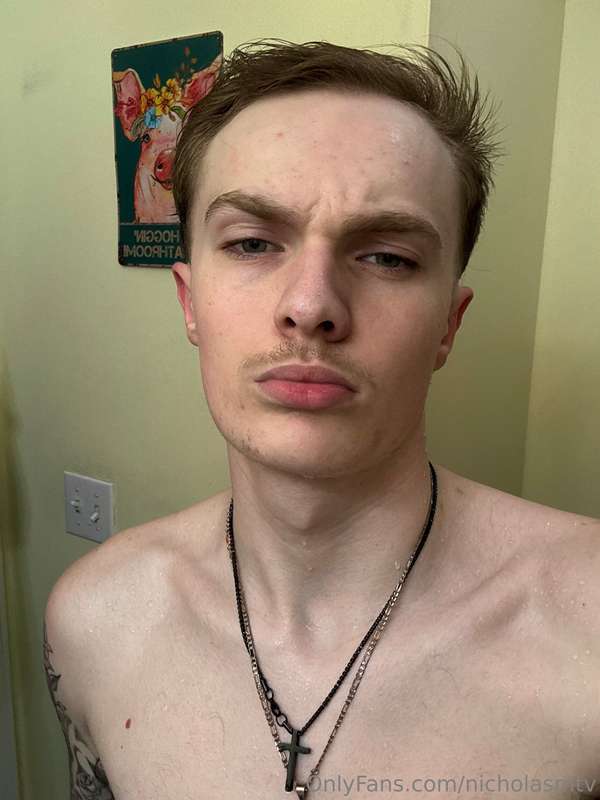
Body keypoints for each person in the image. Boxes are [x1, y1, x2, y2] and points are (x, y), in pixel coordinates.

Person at [44, 39, 600, 799]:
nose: (310, 306)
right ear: (189, 303)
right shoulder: (93, 623)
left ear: (448, 325)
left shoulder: (585, 632)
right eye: (252, 242)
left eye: (387, 257)